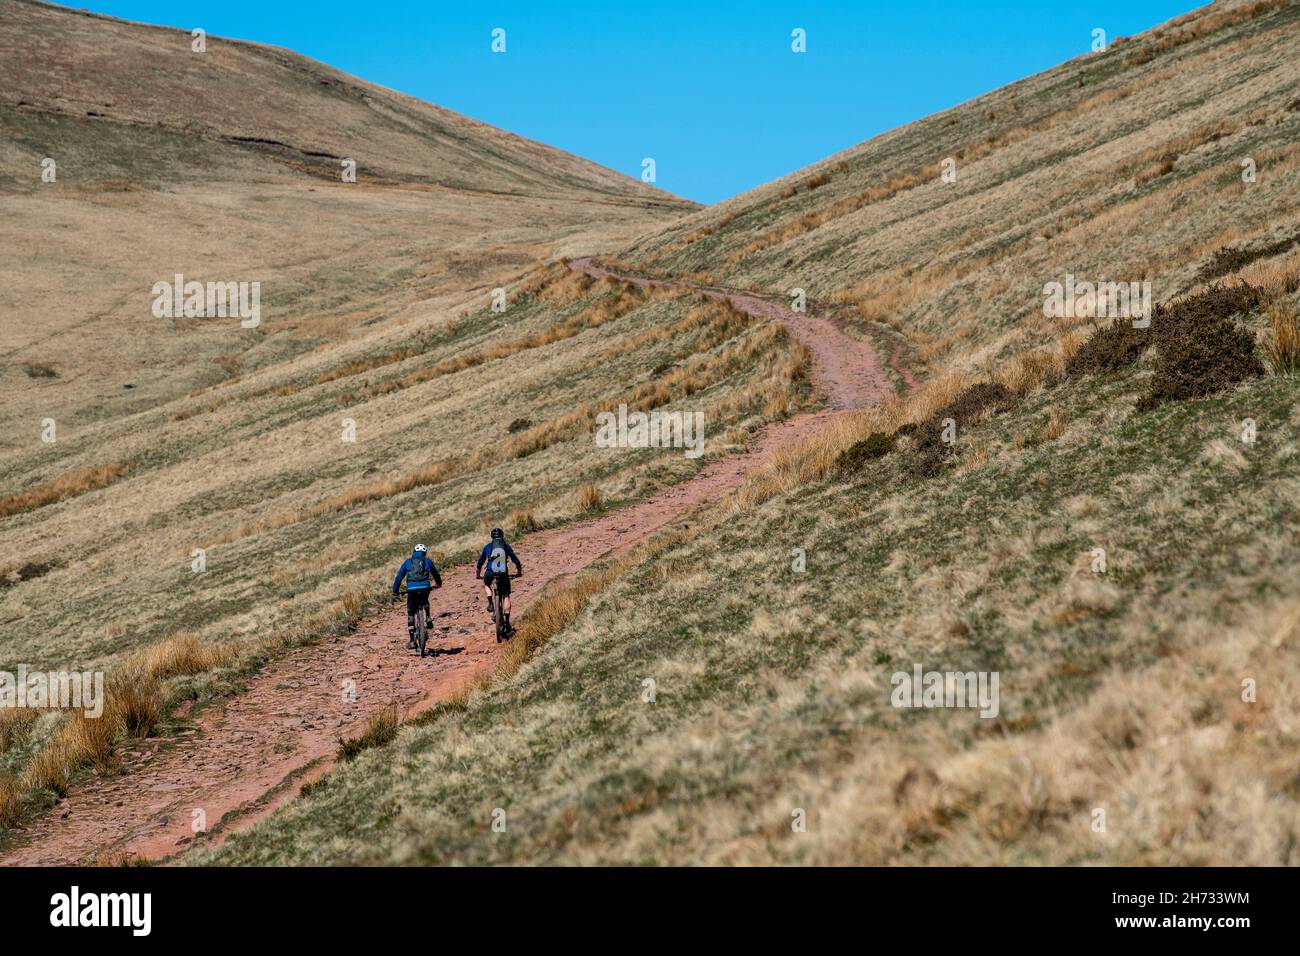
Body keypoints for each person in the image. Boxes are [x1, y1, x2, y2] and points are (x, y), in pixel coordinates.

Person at [392, 544, 442, 649]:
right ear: (424, 553)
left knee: (411, 612)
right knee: (425, 599)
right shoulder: (427, 561)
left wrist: (395, 591)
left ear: (414, 551)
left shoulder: (407, 562)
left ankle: (412, 641)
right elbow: (436, 574)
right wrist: (438, 584)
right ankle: (427, 616)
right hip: (425, 586)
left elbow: (399, 577)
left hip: (411, 589)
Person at [476, 527, 522, 630]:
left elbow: (480, 563)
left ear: (492, 537)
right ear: (502, 536)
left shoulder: (487, 547)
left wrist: (478, 575)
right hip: (503, 573)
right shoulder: (505, 546)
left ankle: (490, 602)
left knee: (487, 584)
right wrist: (518, 572)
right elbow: (516, 560)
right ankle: (507, 622)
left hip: (490, 572)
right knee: (506, 596)